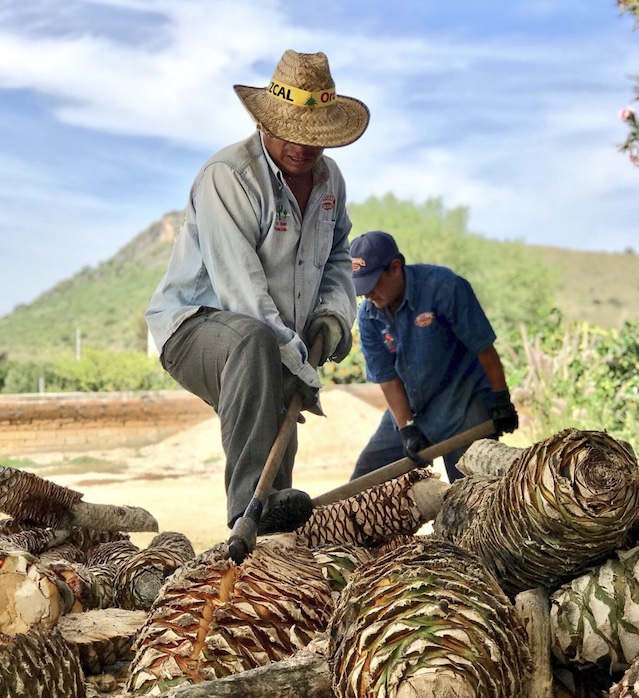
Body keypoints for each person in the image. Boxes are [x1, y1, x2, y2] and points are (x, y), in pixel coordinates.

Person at [145, 50, 370, 533]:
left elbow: (337, 254)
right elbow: (239, 289)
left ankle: (269, 547)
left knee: (275, 425)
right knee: (256, 343)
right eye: (290, 131)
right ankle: (249, 511)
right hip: (196, 326)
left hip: (273, 338)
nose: (301, 147)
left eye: (314, 137)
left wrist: (331, 317)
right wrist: (298, 361)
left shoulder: (330, 180)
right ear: (266, 121)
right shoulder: (229, 177)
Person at [349, 230, 518, 483]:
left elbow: (484, 348)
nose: (367, 296)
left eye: (372, 285)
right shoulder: (368, 314)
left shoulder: (444, 287)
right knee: (364, 478)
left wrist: (501, 399)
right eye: (361, 289)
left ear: (395, 267)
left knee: (468, 492)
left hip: (464, 402)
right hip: (412, 404)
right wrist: (407, 429)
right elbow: (387, 378)